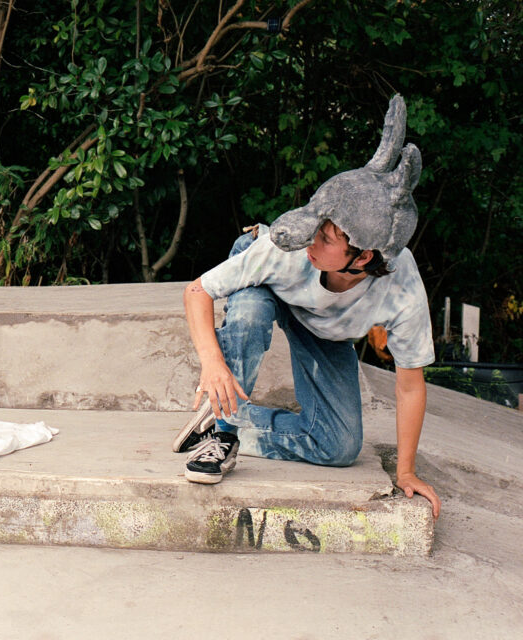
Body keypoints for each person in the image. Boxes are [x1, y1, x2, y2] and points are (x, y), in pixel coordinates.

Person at [175, 96, 441, 519]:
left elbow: (410, 384)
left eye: (326, 239)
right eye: (313, 231)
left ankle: (234, 423)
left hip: (321, 326)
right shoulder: (288, 249)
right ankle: (220, 436)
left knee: (338, 447)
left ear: (364, 257)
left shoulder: (402, 288)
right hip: (268, 286)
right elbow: (197, 291)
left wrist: (406, 471)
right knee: (250, 311)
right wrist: (213, 363)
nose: (310, 243)